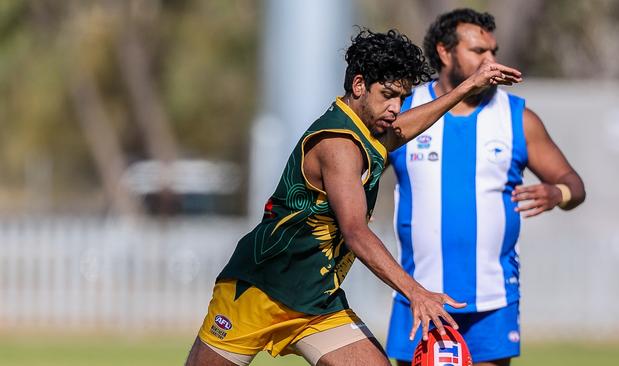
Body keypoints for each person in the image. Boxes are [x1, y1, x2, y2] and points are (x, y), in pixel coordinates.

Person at [185, 28, 521, 366]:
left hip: (317, 302)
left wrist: (463, 88)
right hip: (258, 292)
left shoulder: (367, 128)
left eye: (401, 98)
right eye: (388, 95)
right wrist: (416, 292)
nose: (394, 108)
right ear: (359, 85)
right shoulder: (339, 145)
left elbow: (404, 128)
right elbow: (355, 231)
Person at [385, 9, 586, 366]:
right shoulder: (406, 112)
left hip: (493, 300)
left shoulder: (517, 118)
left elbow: (574, 184)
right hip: (417, 294)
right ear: (445, 52)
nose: (491, 60)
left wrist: (558, 193)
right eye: (479, 51)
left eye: (493, 51)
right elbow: (358, 169)